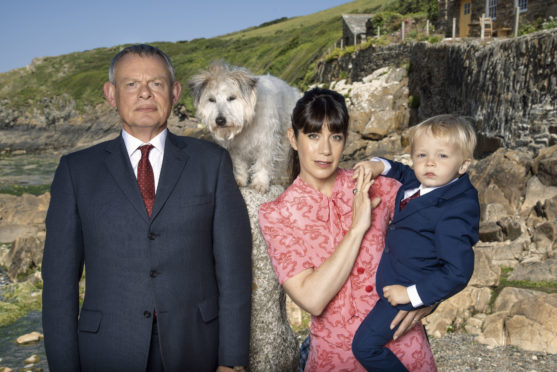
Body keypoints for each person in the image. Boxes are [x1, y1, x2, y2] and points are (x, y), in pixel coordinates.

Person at [42, 44, 252, 372]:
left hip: (196, 347)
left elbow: (235, 271)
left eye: (156, 84)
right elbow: (58, 285)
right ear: (111, 94)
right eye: (131, 84)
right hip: (106, 350)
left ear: (175, 92)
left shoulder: (211, 163)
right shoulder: (76, 171)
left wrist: (232, 360)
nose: (144, 94)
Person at [258, 88, 437, 372]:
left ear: (345, 140)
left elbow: (445, 218)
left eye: (336, 137)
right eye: (314, 136)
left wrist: (429, 296)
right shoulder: (277, 215)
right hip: (335, 359)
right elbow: (313, 299)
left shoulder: (377, 185)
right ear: (293, 139)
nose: (326, 150)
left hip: (404, 351)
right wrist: (357, 229)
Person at [351, 114, 480, 372]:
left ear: (463, 165)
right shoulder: (423, 180)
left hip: (406, 288)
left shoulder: (457, 207)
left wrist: (411, 295)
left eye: (442, 156)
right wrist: (378, 165)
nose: (430, 162)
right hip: (396, 275)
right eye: (422, 155)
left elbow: (458, 271)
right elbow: (402, 171)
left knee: (364, 347)